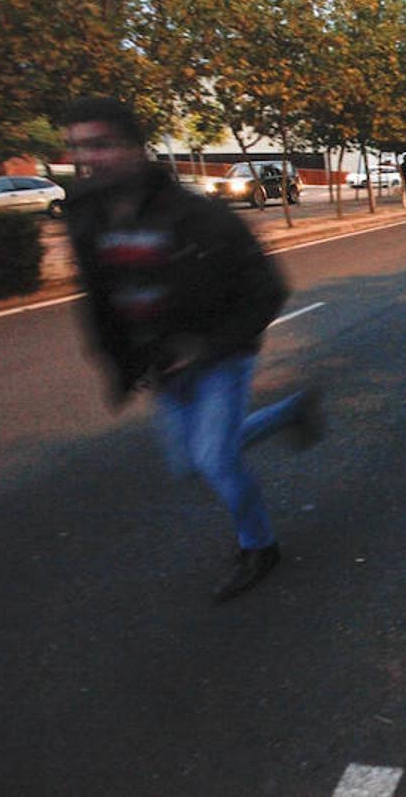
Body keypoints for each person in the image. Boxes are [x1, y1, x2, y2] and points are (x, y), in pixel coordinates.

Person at [61, 96, 322, 603]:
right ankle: (291, 412)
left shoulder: (199, 216)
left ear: (136, 148)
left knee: (214, 459)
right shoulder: (86, 216)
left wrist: (208, 345)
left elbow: (268, 289)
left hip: (220, 354)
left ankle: (259, 546)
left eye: (100, 144)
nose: (86, 158)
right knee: (193, 460)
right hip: (159, 362)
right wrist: (118, 360)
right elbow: (98, 295)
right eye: (75, 147)